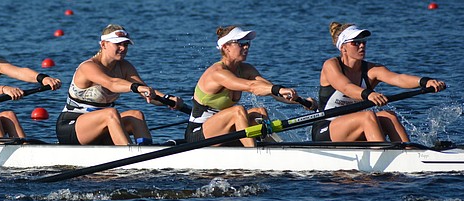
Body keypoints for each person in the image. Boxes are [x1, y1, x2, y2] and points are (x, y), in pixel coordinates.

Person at [312, 22, 446, 142]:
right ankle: (383, 157)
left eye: (363, 41)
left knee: (389, 116)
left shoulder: (372, 70)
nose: (362, 45)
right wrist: (368, 94)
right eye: (356, 42)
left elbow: (398, 78)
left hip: (354, 126)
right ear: (343, 48)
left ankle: (409, 152)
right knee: (367, 116)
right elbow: (346, 87)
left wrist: (425, 81)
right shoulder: (331, 65)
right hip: (326, 127)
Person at [186, 26, 315, 147]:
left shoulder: (246, 69)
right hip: (198, 134)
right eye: (241, 43)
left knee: (259, 112)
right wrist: (278, 89)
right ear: (226, 47)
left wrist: (300, 101)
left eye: (247, 43)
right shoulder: (218, 73)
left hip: (222, 129)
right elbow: (252, 87)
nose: (246, 46)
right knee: (238, 111)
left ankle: (273, 147)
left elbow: (271, 90)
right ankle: (253, 153)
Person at [56, 24, 182, 146]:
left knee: (136, 115)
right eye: (118, 44)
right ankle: (130, 156)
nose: (123, 48)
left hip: (102, 125)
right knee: (110, 113)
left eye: (125, 44)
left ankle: (146, 150)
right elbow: (112, 83)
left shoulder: (125, 66)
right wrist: (136, 87)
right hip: (71, 126)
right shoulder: (88, 67)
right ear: (103, 44)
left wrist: (168, 99)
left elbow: (147, 92)